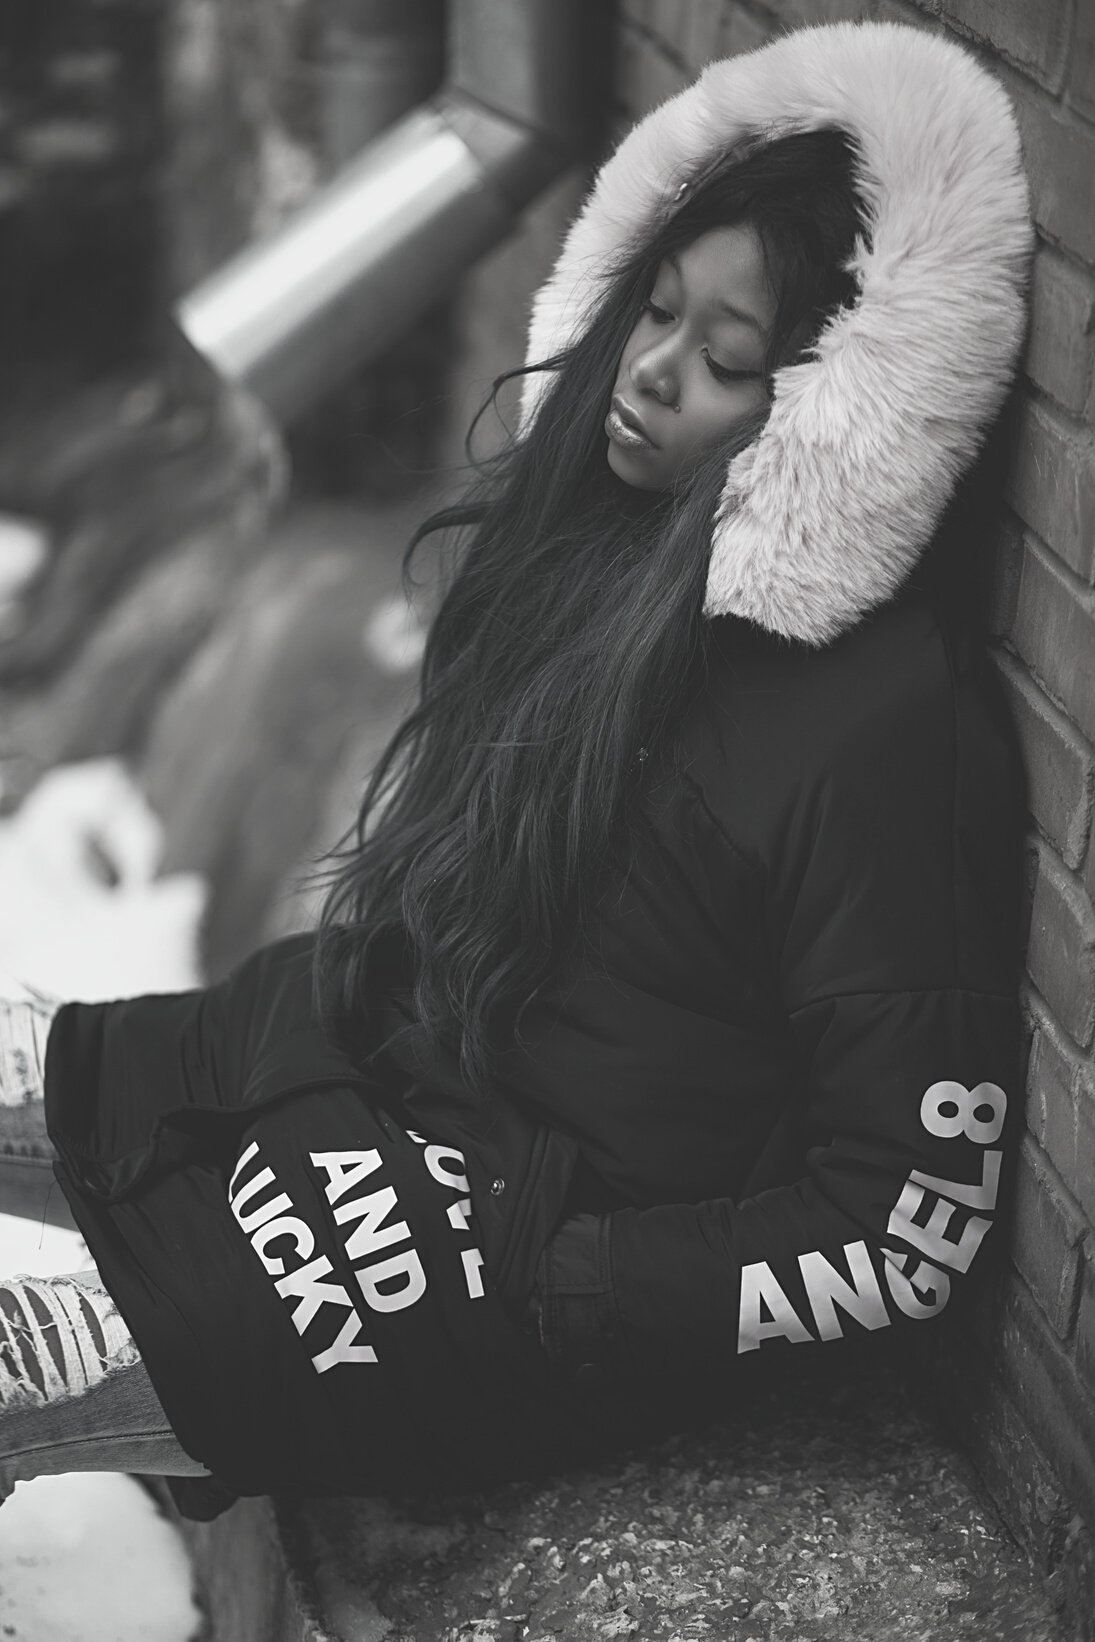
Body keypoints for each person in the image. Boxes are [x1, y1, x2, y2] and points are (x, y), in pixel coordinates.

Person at [0, 17, 1033, 1522]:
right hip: (381, 1052)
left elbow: (910, 1215)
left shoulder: (886, 728)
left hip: (515, 1244)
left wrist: (578, 1287)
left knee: (29, 1367)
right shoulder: (598, 545)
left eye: (728, 357)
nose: (652, 370)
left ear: (832, 409)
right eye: (655, 309)